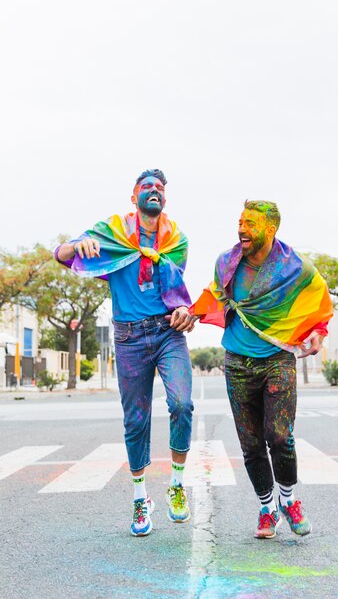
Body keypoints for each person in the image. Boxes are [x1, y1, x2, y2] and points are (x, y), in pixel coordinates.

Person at [56, 169, 195, 537]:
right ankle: (139, 498)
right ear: (134, 197)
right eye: (146, 187)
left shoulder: (177, 240)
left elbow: (176, 290)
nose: (154, 191)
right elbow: (62, 253)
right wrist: (78, 246)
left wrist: (184, 310)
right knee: (136, 420)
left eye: (160, 188)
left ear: (165, 198)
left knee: (182, 404)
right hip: (129, 338)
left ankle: (177, 485)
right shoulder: (113, 231)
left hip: (167, 334)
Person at [190, 200, 333, 539]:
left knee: (280, 436)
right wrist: (189, 313)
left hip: (277, 359)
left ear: (270, 229)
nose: (242, 228)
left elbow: (319, 302)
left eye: (250, 223)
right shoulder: (226, 262)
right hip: (236, 361)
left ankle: (289, 499)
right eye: (240, 221)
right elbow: (214, 296)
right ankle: (267, 507)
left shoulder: (295, 267)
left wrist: (318, 332)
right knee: (251, 443)